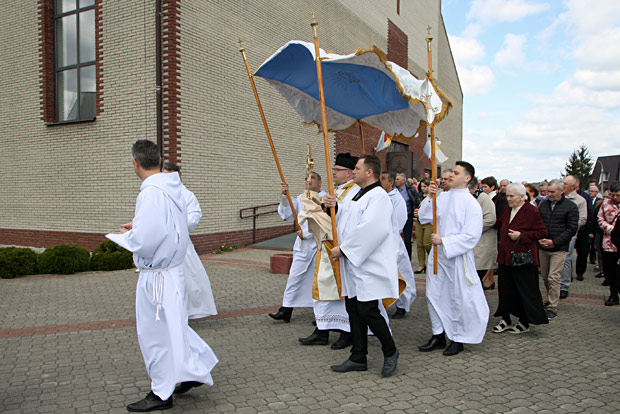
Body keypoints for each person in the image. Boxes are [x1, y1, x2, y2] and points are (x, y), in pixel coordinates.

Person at [107, 140, 217, 412]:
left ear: (135, 162)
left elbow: (147, 240)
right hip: (171, 273)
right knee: (173, 328)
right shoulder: (172, 187)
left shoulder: (151, 192)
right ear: (158, 159)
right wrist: (140, 224)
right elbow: (171, 224)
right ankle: (191, 371)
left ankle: (161, 393)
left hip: (157, 275)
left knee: (154, 334)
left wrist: (126, 236)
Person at [328, 155, 400, 377]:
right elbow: (349, 221)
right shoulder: (357, 194)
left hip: (369, 263)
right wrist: (336, 209)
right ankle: (358, 356)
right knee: (353, 308)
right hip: (354, 264)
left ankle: (390, 350)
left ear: (369, 172)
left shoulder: (379, 196)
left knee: (368, 310)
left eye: (357, 168)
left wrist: (346, 249)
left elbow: (373, 229)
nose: (354, 171)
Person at [418, 161, 489, 356]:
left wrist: (445, 241)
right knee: (434, 294)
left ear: (467, 178)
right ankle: (438, 334)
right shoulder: (443, 197)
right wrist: (431, 197)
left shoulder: (471, 204)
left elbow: (472, 236)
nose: (451, 176)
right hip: (438, 256)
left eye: (456, 173)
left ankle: (458, 338)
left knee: (456, 297)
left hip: (456, 257)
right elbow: (424, 217)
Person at [298, 153, 359, 349]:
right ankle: (322, 330)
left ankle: (346, 332)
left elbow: (351, 215)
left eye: (337, 170)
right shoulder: (337, 190)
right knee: (323, 290)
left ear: (349, 172)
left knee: (339, 292)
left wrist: (336, 207)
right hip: (325, 246)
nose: (333, 172)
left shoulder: (355, 191)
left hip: (340, 248)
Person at [163, 162, 217, 320]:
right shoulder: (159, 194)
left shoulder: (187, 196)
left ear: (179, 176)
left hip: (180, 244)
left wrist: (174, 223)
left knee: (187, 279)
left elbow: (194, 217)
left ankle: (184, 312)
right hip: (162, 246)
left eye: (171, 175)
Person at [492, 183, 548, 333]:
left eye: (511, 196)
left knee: (523, 291)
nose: (508, 199)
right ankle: (505, 319)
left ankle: (524, 321)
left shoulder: (531, 211)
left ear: (522, 196)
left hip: (522, 259)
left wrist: (522, 236)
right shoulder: (508, 209)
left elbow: (542, 232)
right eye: (507, 195)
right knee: (505, 290)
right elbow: (501, 223)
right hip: (505, 258)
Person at [269, 172, 324, 323]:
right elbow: (287, 213)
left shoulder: (325, 198)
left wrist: (306, 232)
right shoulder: (301, 198)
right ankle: (286, 309)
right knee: (295, 276)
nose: (308, 180)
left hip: (320, 245)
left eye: (312, 178)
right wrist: (285, 195)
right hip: (302, 246)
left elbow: (323, 220)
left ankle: (322, 314)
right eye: (306, 178)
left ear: (320, 183)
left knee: (319, 281)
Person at [537, 179, 579, 319]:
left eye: (552, 192)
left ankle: (552, 306)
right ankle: (550, 298)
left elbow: (571, 228)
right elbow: (538, 223)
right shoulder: (543, 205)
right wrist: (540, 238)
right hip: (543, 247)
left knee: (553, 277)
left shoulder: (570, 207)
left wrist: (554, 242)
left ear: (561, 191)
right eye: (548, 191)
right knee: (545, 277)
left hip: (559, 248)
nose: (549, 194)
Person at [381, 171, 417, 319]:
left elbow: (399, 222)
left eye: (383, 179)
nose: (380, 181)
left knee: (401, 275)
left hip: (393, 241)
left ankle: (403, 305)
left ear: (391, 183)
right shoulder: (380, 196)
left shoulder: (397, 199)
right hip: (381, 241)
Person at [560, 175, 587, 298]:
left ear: (573, 186)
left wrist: (568, 227)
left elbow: (582, 219)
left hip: (570, 234)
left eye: (565, 184)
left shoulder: (580, 200)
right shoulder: (559, 198)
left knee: (566, 259)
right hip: (556, 234)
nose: (563, 185)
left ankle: (564, 285)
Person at [468, 177, 497, 286]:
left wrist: (472, 229)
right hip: (472, 243)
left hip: (482, 243)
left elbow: (490, 220)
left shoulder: (482, 198)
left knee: (476, 278)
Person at [480, 176, 508, 289]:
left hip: (493, 230)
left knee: (489, 257)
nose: (483, 189)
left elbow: (499, 216)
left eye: (486, 187)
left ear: (492, 187)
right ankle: (489, 279)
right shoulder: (484, 197)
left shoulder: (498, 199)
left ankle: (488, 279)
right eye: (482, 187)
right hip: (487, 230)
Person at [597, 181, 620, 306]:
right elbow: (600, 219)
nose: (615, 197)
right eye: (613, 195)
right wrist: (612, 229)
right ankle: (613, 294)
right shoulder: (605, 204)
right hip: (609, 242)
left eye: (618, 195)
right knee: (610, 270)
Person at [395, 172, 420, 259]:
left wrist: (416, 210)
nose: (396, 181)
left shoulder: (411, 189)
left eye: (398, 179)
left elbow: (416, 199)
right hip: (396, 217)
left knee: (407, 239)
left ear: (403, 180)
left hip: (408, 216)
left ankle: (408, 258)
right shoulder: (395, 190)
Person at [414, 178, 432, 274]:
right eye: (422, 186)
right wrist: (416, 212)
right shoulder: (419, 195)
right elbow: (416, 206)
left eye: (425, 186)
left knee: (427, 243)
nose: (423, 188)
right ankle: (421, 264)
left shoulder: (434, 196)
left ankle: (433, 259)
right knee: (419, 244)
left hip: (429, 222)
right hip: (419, 222)